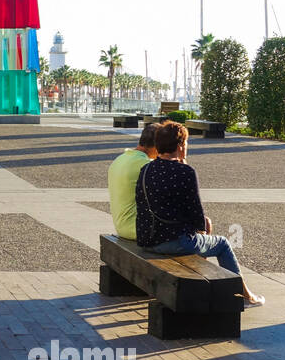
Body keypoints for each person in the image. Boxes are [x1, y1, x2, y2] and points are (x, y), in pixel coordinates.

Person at [135, 121, 264, 306]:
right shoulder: (185, 171)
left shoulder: (146, 169)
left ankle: (199, 284)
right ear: (180, 146)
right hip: (174, 242)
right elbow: (196, 214)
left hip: (147, 240)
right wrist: (201, 229)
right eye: (186, 143)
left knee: (200, 238)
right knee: (222, 243)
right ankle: (244, 296)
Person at [108, 124, 158, 240]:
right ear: (157, 146)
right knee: (199, 227)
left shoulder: (120, 159)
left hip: (122, 226)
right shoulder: (145, 165)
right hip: (138, 229)